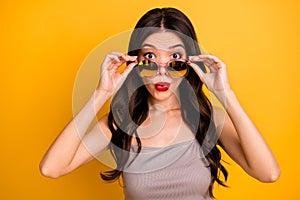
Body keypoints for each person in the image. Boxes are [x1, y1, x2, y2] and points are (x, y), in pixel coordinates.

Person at [40, 7, 280, 199]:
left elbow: (268, 173)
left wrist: (225, 94)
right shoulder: (119, 124)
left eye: (175, 59)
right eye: (150, 58)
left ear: (190, 63)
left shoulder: (210, 120)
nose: (161, 73)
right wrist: (101, 93)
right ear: (135, 62)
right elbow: (51, 168)